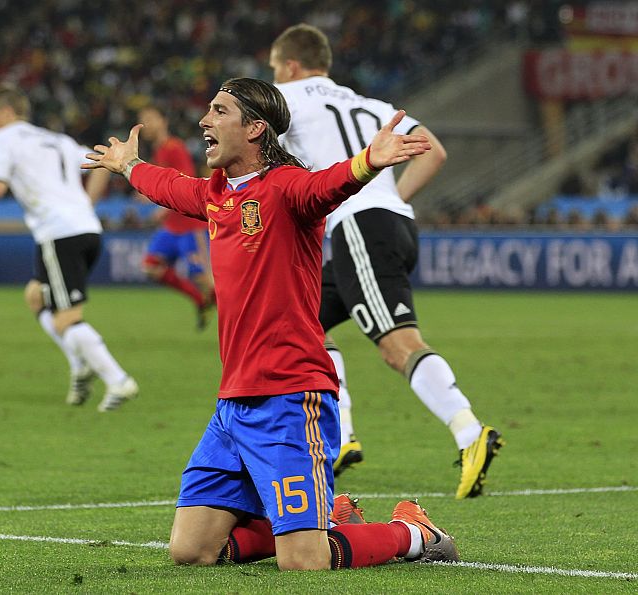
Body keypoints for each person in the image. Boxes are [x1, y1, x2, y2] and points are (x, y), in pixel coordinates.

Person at [84, 77, 458, 570]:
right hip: (232, 406)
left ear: (256, 128)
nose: (204, 121)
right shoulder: (217, 195)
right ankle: (323, 520)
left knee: (303, 562)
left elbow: (328, 184)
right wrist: (128, 165)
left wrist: (369, 161)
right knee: (191, 551)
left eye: (219, 112)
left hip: (289, 396)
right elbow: (172, 188)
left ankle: (411, 532)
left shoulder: (286, 189)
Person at [269, 24, 503, 498]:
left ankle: (468, 430)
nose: (274, 75)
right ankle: (339, 438)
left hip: (359, 227)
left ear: (290, 66)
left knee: (397, 344)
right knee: (303, 323)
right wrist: (391, 195)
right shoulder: (370, 105)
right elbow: (433, 152)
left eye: (275, 68)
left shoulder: (284, 97)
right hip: (389, 222)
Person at [0, 85, 138, 413]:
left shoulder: (3, 139)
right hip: (87, 229)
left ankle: (118, 380)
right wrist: (87, 204)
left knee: (67, 318)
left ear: (6, 112)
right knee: (36, 295)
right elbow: (103, 162)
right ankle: (79, 364)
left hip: (59, 234)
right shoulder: (56, 139)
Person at [137, 105, 215, 330]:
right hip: (172, 225)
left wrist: (163, 207)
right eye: (143, 120)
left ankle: (242, 323)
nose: (146, 125)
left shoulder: (174, 147)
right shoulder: (160, 150)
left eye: (150, 118)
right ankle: (200, 300)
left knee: (206, 280)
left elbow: (186, 183)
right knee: (150, 267)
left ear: (163, 121)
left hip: (191, 225)